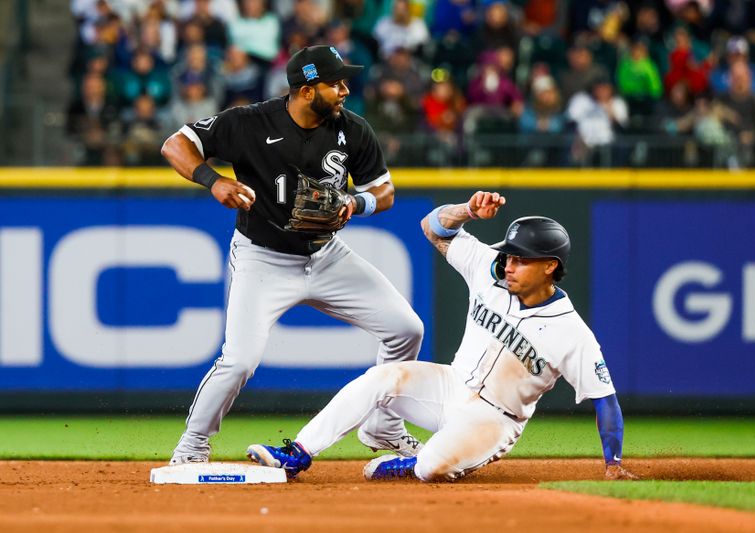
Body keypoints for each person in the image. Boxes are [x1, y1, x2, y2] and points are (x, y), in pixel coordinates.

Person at [246, 191, 639, 482]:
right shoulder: (491, 269)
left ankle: (412, 465)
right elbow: (433, 226)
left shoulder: (570, 331)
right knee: (383, 376)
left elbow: (605, 400)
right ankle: (297, 454)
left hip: (494, 418)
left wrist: (613, 465)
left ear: (551, 266)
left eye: (521, 259)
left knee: (432, 467)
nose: (510, 263)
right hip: (449, 385)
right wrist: (467, 211)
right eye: (510, 255)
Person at [161, 45, 425, 466]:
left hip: (327, 256)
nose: (344, 89)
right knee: (239, 360)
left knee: (406, 329)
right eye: (334, 83)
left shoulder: (352, 129)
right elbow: (176, 145)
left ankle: (383, 425)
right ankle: (192, 444)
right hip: (263, 258)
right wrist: (212, 180)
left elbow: (385, 191)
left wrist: (357, 203)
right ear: (305, 90)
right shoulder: (249, 123)